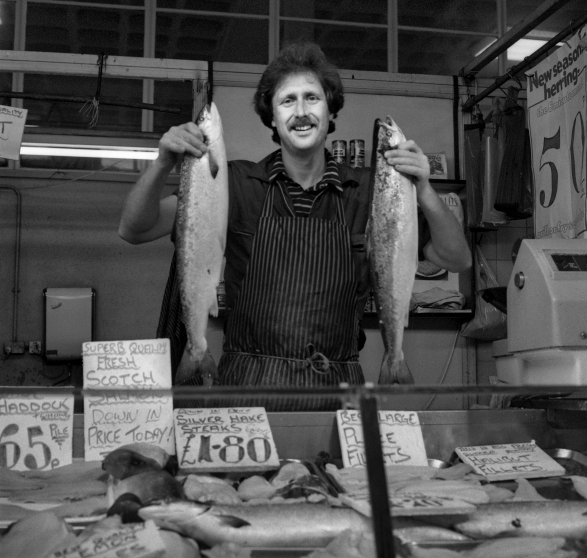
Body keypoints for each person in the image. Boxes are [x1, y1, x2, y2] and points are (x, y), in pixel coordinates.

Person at [118, 41, 471, 410]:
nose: (301, 112)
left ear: (331, 110)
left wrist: (425, 190)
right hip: (247, 389)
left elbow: (456, 259)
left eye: (312, 98)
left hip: (339, 392)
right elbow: (135, 229)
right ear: (271, 117)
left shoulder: (372, 192)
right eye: (287, 101)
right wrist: (161, 164)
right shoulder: (232, 183)